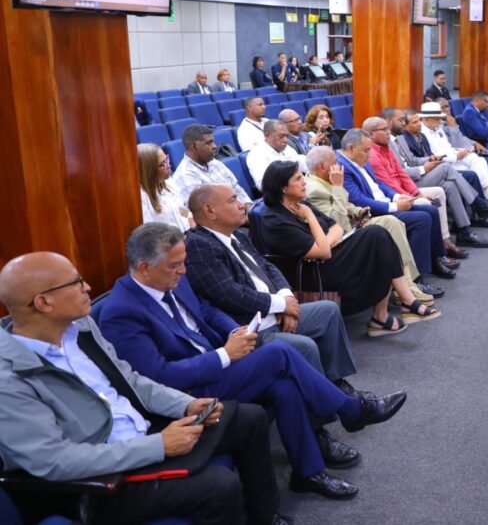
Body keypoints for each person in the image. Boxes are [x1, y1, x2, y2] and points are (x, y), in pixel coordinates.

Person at [98, 224, 407, 501]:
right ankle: (351, 409)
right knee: (279, 353)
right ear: (145, 267)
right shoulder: (122, 312)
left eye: (183, 262)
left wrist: (234, 331)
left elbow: (204, 309)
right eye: (175, 265)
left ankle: (308, 472)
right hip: (187, 394)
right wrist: (225, 354)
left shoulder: (168, 279)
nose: (183, 271)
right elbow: (159, 377)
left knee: (284, 387)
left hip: (214, 364)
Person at [0, 251, 291, 525]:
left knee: (249, 418)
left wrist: (183, 404)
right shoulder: (9, 377)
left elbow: (130, 379)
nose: (87, 287)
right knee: (219, 485)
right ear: (44, 302)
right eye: (76, 283)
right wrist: (159, 446)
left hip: (142, 432)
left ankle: (265, 518)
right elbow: (53, 460)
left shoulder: (81, 328)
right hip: (100, 480)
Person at [184, 184, 364, 383]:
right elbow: (229, 294)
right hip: (252, 327)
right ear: (210, 211)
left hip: (274, 311)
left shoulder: (238, 235)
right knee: (306, 347)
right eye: (233, 200)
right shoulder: (199, 245)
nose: (242, 204)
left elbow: (268, 267)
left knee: (328, 311)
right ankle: (326, 401)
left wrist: (286, 299)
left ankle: (337, 385)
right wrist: (280, 305)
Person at [259, 161, 440, 332]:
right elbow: (323, 252)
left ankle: (393, 308)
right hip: (313, 274)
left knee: (380, 237)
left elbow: (337, 227)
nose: (304, 182)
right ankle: (391, 311)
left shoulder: (301, 204)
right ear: (283, 188)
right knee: (376, 236)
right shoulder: (276, 219)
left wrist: (324, 242)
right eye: (298, 179)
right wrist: (312, 219)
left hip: (327, 260)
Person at [305, 146, 444, 300]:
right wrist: (338, 187)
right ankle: (407, 285)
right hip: (342, 238)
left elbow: (347, 204)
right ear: (322, 166)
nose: (339, 166)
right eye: (335, 162)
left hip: (356, 223)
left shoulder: (326, 180)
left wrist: (360, 211)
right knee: (395, 221)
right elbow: (337, 223)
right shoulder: (315, 190)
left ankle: (409, 281)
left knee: (393, 222)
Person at [337, 129, 457, 278]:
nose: (369, 154)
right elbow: (358, 200)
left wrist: (397, 196)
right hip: (372, 213)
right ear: (351, 148)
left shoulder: (359, 159)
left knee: (431, 210)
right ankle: (418, 275)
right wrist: (395, 206)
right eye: (366, 150)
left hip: (386, 203)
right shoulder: (342, 166)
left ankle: (436, 259)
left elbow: (379, 183)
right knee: (422, 219)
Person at [376, 113, 488, 247]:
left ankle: (463, 231)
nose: (403, 123)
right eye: (400, 120)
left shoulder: (397, 140)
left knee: (450, 184)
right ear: (389, 121)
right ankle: (479, 203)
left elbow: (412, 161)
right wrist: (423, 169)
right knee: (446, 167)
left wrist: (430, 159)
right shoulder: (385, 145)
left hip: (414, 178)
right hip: (407, 184)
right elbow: (398, 173)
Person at [406, 104, 488, 201]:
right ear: (427, 119)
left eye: (440, 118)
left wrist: (461, 151)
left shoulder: (438, 128)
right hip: (444, 163)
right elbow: (433, 155)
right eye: (437, 119)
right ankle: (484, 200)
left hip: (453, 157)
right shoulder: (422, 133)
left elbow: (448, 147)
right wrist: (456, 156)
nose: (440, 121)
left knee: (477, 160)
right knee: (472, 172)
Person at [436, 97, 488, 203]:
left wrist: (474, 143)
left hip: (472, 149)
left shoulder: (450, 120)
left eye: (448, 106)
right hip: (461, 155)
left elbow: (462, 137)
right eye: (443, 107)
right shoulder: (440, 126)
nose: (447, 109)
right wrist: (453, 127)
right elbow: (454, 144)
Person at [172, 125, 253, 209]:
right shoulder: (185, 175)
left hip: (240, 211)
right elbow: (205, 211)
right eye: (208, 143)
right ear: (194, 146)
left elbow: (236, 188)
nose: (215, 146)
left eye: (213, 142)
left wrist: (249, 208)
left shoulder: (215, 163)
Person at [139, 143, 192, 232]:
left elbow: (182, 209)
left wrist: (192, 225)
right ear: (149, 170)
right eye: (162, 164)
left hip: (188, 234)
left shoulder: (169, 182)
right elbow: (151, 233)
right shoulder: (142, 197)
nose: (169, 165)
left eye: (166, 159)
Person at [246, 119, 307, 189]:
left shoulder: (287, 148)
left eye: (287, 136)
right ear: (267, 135)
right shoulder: (256, 155)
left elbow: (304, 164)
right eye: (281, 136)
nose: (286, 140)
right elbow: (263, 185)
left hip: (300, 186)